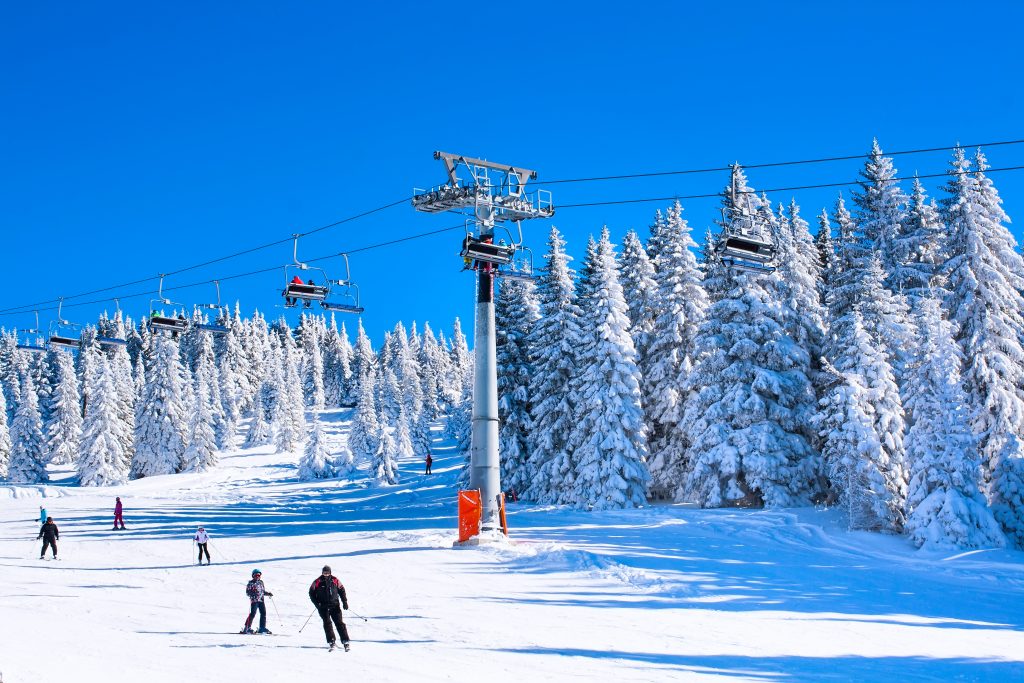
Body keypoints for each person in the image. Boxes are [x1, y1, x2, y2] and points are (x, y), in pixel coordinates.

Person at [309, 564, 350, 651]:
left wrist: (344, 602)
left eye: (327, 573)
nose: (326, 574)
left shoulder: (335, 580)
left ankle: (345, 641)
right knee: (327, 623)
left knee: (339, 623)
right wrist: (317, 604)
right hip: (323, 607)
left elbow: (342, 590)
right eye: (324, 573)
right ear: (322, 573)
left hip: (335, 605)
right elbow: (311, 593)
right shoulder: (317, 581)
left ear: (330, 573)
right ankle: (332, 641)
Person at [242, 569, 273, 634]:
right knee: (253, 613)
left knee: (263, 613)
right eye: (256, 575)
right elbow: (248, 592)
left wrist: (268, 594)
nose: (257, 576)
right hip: (254, 601)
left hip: (261, 600)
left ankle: (262, 628)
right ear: (253, 576)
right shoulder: (251, 583)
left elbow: (262, 591)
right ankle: (247, 627)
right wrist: (253, 594)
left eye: (259, 575)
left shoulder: (261, 582)